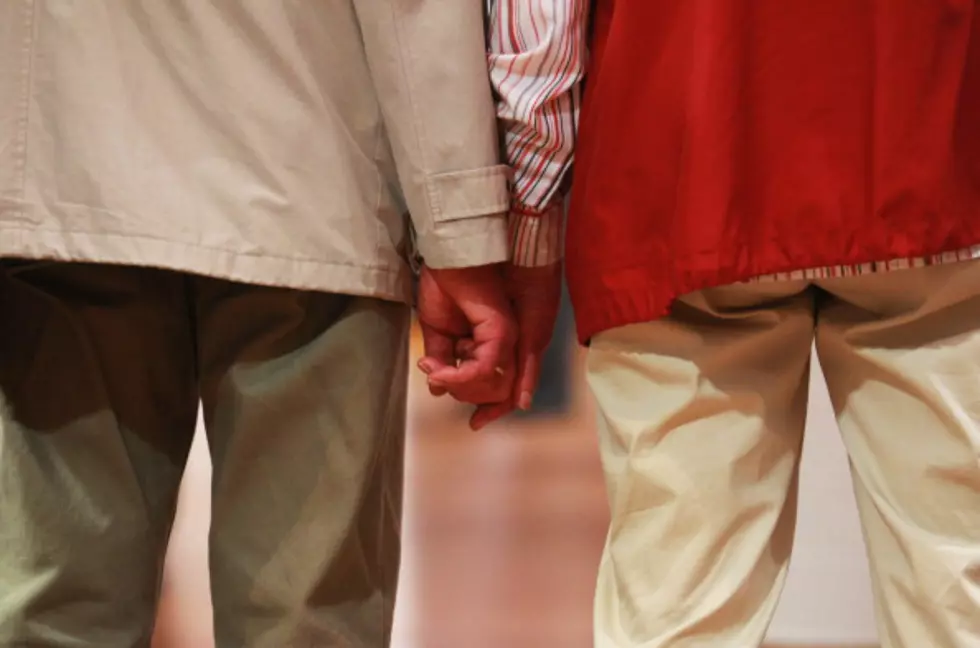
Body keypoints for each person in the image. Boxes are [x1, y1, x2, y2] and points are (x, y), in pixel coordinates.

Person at [430, 1, 980, 646]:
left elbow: (542, 25)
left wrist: (523, 218)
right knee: (959, 579)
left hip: (678, 157)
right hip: (935, 135)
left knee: (679, 600)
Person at [0, 3, 520, 646]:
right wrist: (461, 229)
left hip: (61, 175)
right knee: (304, 618)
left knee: (57, 610)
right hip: (309, 175)